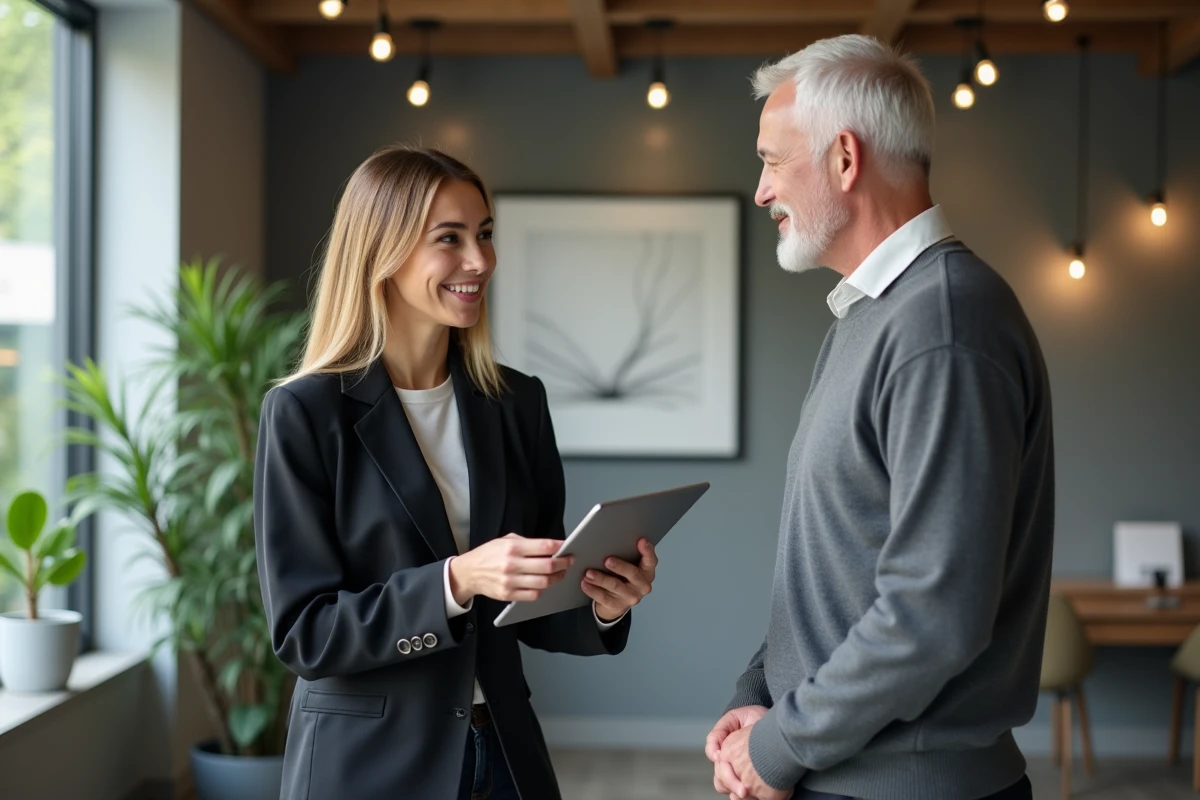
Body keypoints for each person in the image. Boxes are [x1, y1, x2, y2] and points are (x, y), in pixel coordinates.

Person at [705, 35, 1053, 800]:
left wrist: (782, 744)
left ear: (844, 160)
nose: (760, 191)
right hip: (844, 772)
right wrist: (759, 691)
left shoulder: (945, 326)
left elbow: (933, 614)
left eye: (771, 159)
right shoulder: (870, 318)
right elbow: (840, 567)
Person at [253, 145, 658, 800]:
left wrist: (603, 603)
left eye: (486, 234)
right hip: (364, 766)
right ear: (383, 252)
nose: (480, 261)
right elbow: (305, 633)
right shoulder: (303, 413)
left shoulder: (515, 402)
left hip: (502, 753)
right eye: (450, 239)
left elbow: (534, 605)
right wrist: (455, 579)